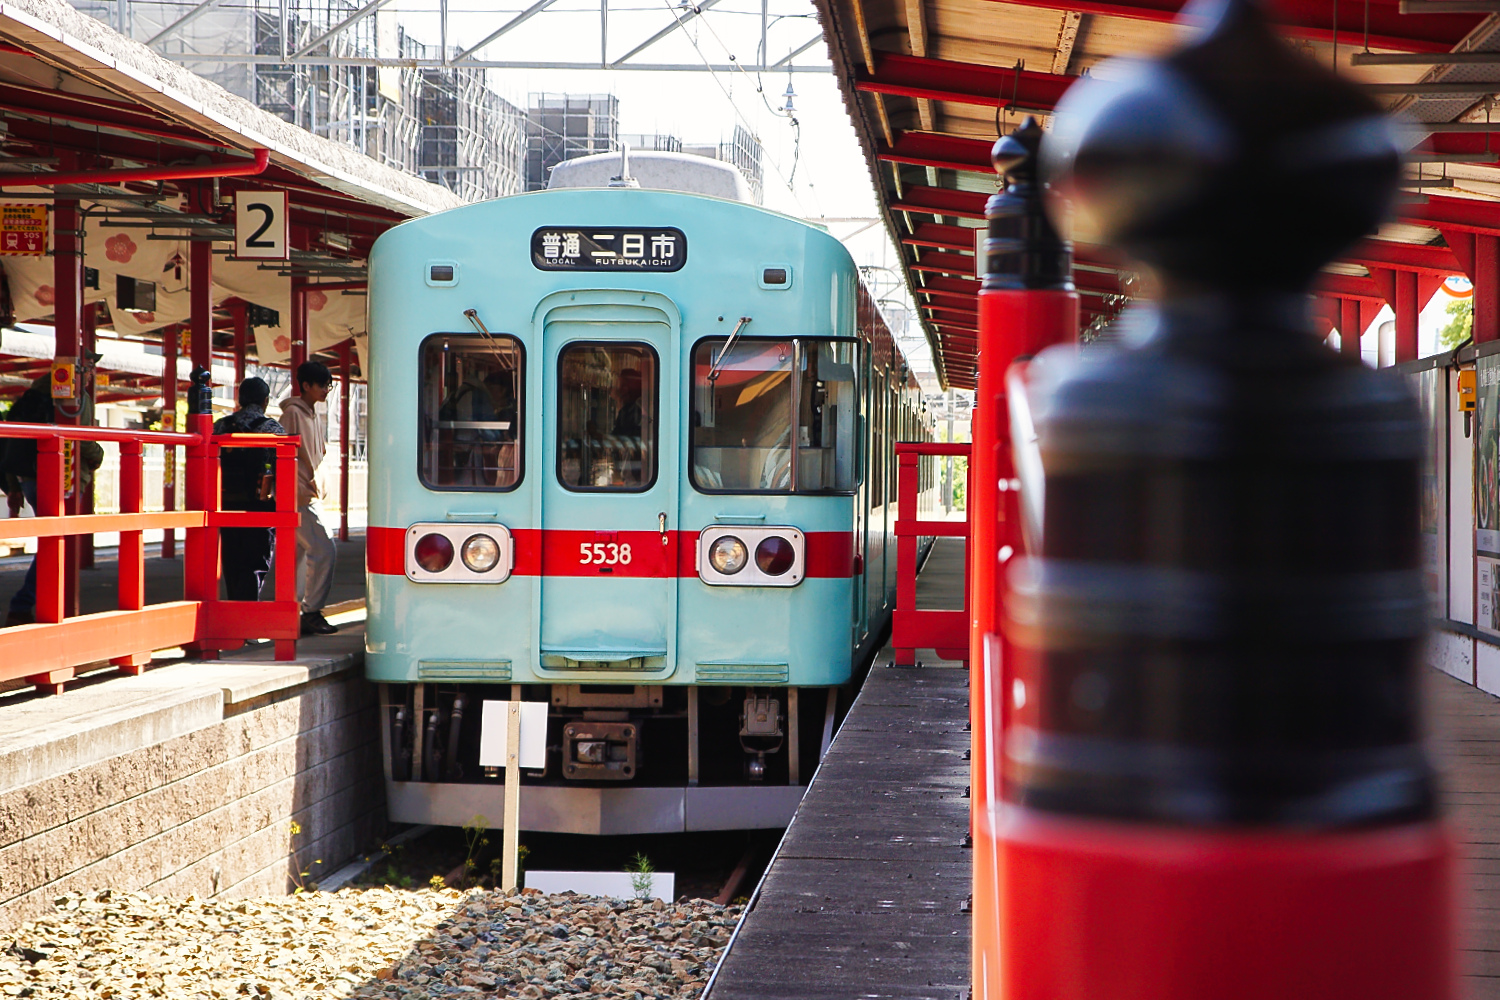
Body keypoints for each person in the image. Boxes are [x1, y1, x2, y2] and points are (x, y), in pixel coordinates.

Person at [1, 375, 102, 626]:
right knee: (57, 541)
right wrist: (98, 454)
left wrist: (14, 486)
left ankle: (28, 604)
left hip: (27, 476)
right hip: (62, 476)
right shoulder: (76, 395)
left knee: (51, 539)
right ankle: (26, 604)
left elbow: (12, 446)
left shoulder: (28, 399)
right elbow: (81, 437)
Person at [277, 361, 338, 636]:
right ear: (306, 386)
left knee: (299, 555)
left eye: (329, 384)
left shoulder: (312, 414)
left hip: (305, 492)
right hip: (299, 494)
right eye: (322, 384)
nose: (326, 389)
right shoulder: (294, 413)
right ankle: (311, 611)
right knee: (324, 549)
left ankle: (291, 613)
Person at [214, 377, 284, 602]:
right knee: (256, 562)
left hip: (225, 506)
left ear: (239, 399)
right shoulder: (271, 428)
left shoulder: (221, 426)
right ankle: (248, 617)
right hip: (259, 505)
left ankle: (233, 615)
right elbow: (283, 467)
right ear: (265, 401)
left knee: (232, 561)